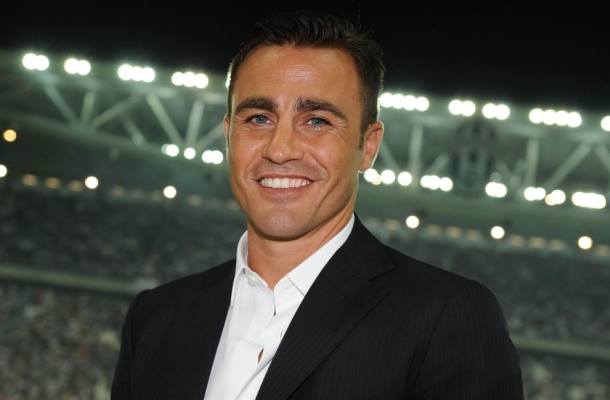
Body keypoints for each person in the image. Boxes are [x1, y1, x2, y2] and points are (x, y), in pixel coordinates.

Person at [111, 11, 524, 400]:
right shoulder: (155, 318)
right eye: (258, 118)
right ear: (228, 135)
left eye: (317, 121)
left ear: (368, 146)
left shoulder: (446, 318)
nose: (280, 149)